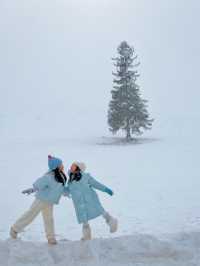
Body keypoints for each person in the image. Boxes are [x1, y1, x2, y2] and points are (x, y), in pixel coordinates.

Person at [10, 155, 67, 245]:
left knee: (49, 219)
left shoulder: (60, 175)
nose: (62, 165)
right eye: (61, 164)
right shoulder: (49, 177)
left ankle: (51, 238)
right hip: (41, 200)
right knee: (31, 214)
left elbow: (60, 188)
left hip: (50, 201)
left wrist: (67, 193)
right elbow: (38, 184)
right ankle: (14, 229)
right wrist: (33, 189)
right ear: (56, 166)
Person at [66, 162, 118, 240]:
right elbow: (68, 191)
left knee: (100, 210)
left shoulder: (86, 177)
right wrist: (58, 190)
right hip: (79, 202)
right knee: (84, 218)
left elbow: (96, 184)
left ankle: (112, 222)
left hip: (90, 199)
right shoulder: (70, 180)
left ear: (78, 168)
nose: (71, 166)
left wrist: (106, 189)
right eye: (71, 165)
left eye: (73, 165)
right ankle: (87, 236)